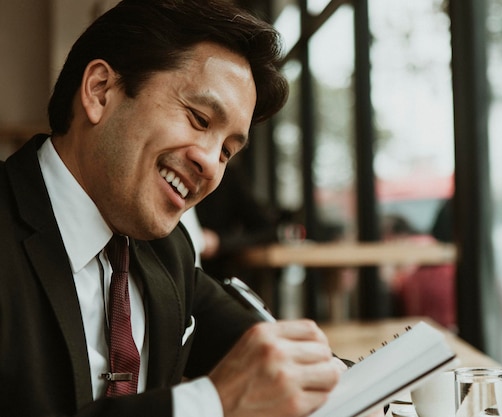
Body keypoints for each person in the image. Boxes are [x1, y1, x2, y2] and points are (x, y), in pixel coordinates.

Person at [0, 1, 348, 416]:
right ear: (100, 90)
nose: (209, 163)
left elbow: (267, 351)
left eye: (227, 151)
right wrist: (210, 402)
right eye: (199, 119)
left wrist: (363, 382)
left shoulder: (170, 251)